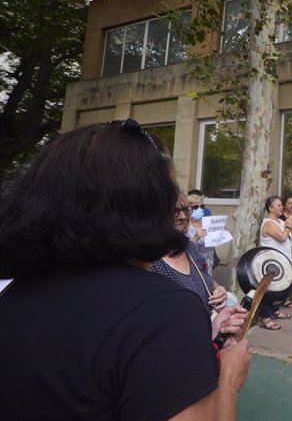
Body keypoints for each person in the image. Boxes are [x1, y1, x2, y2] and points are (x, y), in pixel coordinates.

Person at [0, 119, 250, 420]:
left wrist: (205, 332)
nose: (178, 210)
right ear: (147, 202)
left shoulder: (14, 294)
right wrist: (227, 382)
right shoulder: (166, 311)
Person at [152, 192, 228, 316]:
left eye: (186, 210)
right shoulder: (149, 258)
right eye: (175, 211)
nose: (182, 216)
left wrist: (219, 290)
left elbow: (204, 278)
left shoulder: (189, 247)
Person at [257, 195, 292, 330]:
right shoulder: (268, 223)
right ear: (270, 208)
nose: (282, 207)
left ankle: (275, 311)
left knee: (279, 289)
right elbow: (282, 237)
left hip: (282, 262)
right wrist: (288, 225)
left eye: (281, 205)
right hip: (271, 264)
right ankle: (264, 317)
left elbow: (291, 234)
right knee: (270, 290)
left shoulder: (279, 221)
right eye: (278, 205)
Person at [187, 192, 216, 269]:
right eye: (196, 207)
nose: (199, 209)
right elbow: (183, 249)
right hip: (193, 265)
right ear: (188, 208)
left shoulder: (207, 223)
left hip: (208, 262)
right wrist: (196, 237)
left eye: (202, 206)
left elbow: (214, 240)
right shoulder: (184, 226)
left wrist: (221, 233)